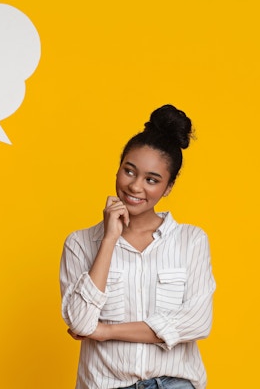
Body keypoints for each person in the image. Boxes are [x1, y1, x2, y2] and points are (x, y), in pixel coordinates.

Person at [59, 105, 215, 389]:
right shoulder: (79, 244)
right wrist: (108, 240)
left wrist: (106, 331)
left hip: (175, 384)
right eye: (129, 171)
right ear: (118, 168)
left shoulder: (191, 240)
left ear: (168, 187)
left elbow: (196, 322)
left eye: (152, 180)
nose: (135, 187)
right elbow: (81, 322)